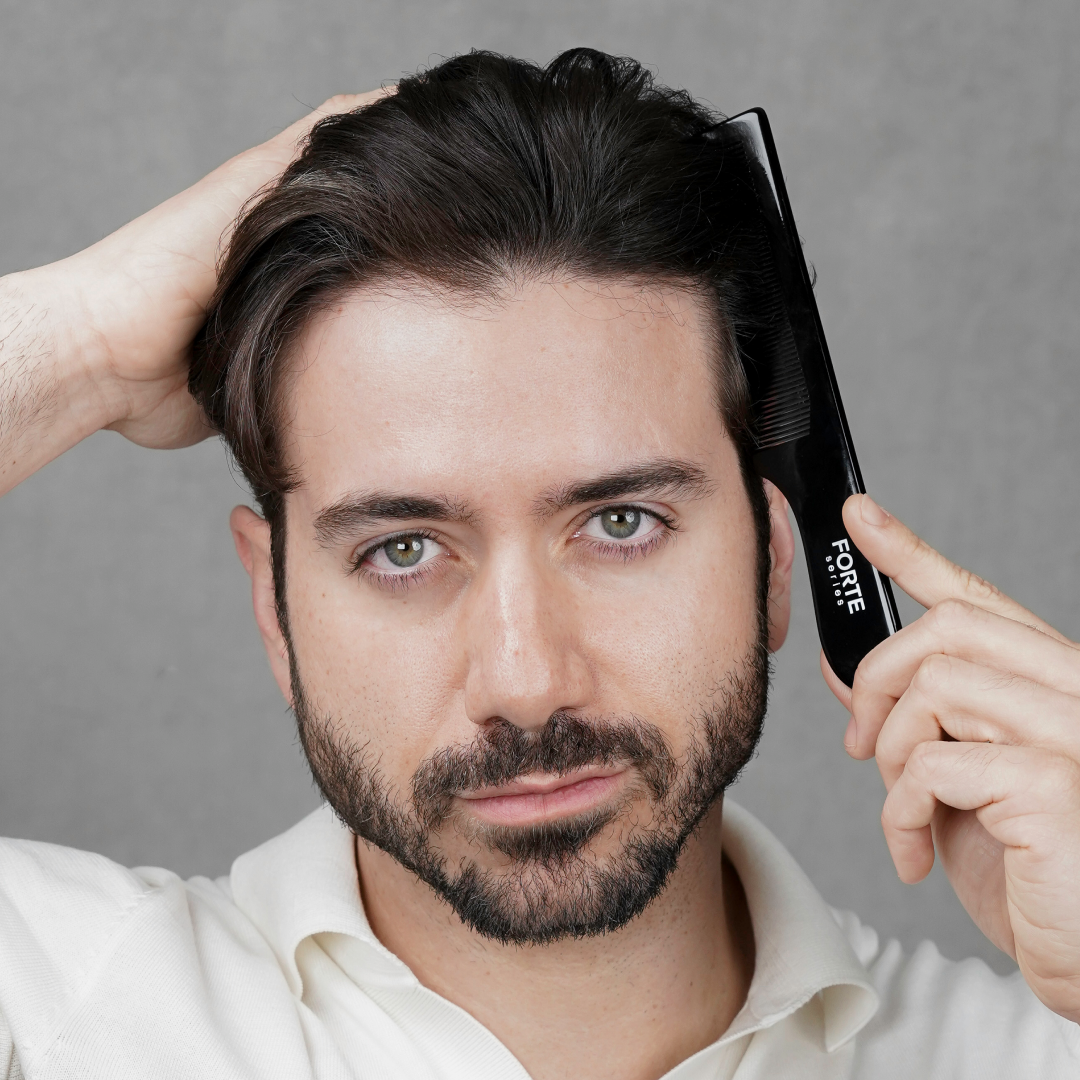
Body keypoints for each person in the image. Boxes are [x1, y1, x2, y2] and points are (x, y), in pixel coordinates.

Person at [0, 48, 1077, 1080]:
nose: (525, 680)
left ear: (773, 557)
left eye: (620, 524)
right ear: (272, 608)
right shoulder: (57, 1012)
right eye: (403, 549)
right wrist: (79, 341)